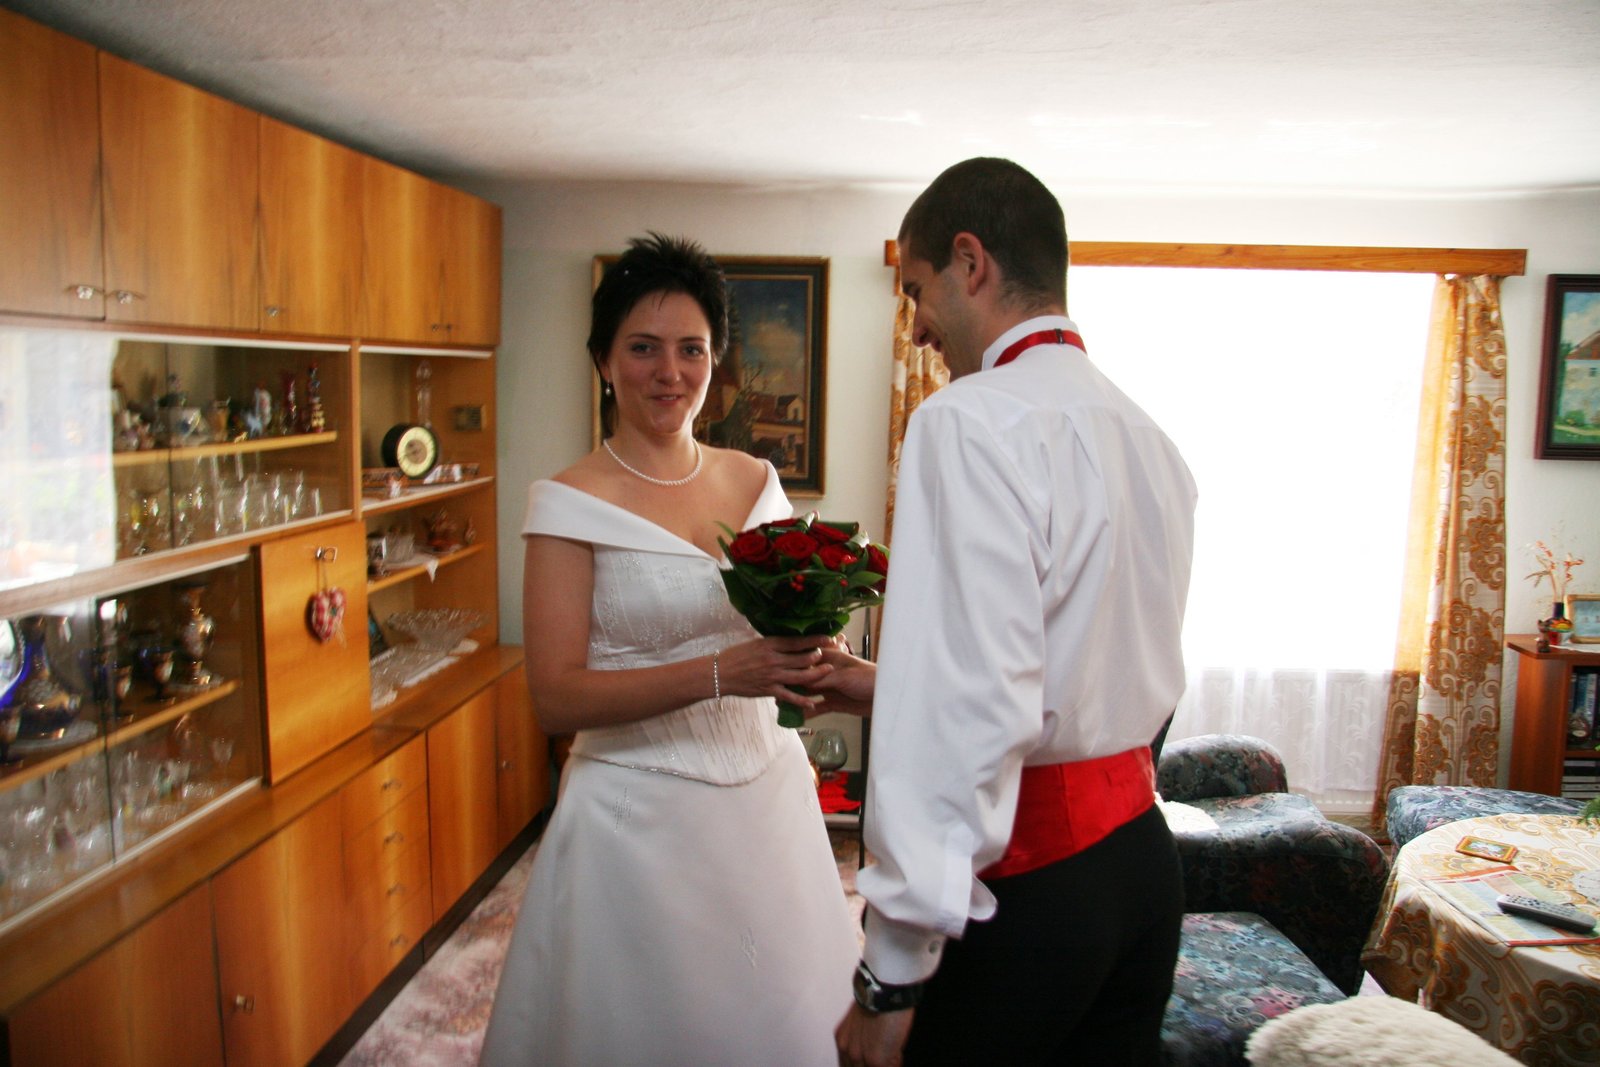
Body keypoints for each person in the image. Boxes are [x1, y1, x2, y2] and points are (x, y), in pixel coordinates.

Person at [819, 158, 1199, 1066]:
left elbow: (968, 711)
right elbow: (1080, 657)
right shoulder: (1153, 439)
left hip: (1029, 885)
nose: (917, 327)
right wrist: (889, 684)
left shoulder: (966, 421)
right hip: (1143, 870)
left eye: (917, 290)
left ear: (970, 260)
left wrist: (891, 970)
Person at [479, 233, 858, 1066]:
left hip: (766, 801)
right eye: (643, 348)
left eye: (692, 349)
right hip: (634, 819)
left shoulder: (755, 482)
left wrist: (842, 664)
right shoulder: (567, 504)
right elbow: (556, 697)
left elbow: (787, 632)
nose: (670, 372)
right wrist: (722, 672)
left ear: (715, 361)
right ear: (603, 361)